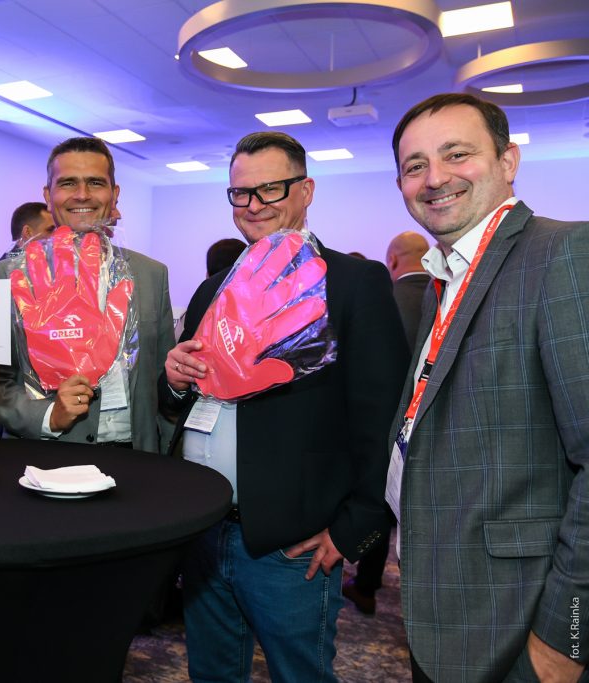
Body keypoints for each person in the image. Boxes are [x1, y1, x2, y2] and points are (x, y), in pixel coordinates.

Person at [162, 131, 409, 682]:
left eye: (270, 189)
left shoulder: (352, 283)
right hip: (203, 528)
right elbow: (180, 401)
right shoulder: (212, 289)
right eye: (240, 193)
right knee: (211, 673)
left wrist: (355, 528)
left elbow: (382, 417)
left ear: (306, 190)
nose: (253, 206)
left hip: (292, 543)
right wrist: (175, 380)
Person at [389, 92, 589, 683]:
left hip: (523, 622)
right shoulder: (447, 277)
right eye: (416, 165)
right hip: (450, 603)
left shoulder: (562, 253)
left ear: (508, 161)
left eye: (457, 154)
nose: (435, 178)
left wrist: (565, 643)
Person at [0, 137, 175, 452]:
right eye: (68, 183)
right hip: (47, 454)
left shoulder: (151, 274)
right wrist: (48, 416)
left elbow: (164, 381)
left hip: (138, 457)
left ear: (114, 193)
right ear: (48, 195)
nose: (82, 194)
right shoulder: (7, 275)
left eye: (95, 182)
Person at [342, 230, 432, 616]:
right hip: (434, 430)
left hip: (386, 426)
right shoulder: (445, 297)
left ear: (392, 260)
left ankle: (366, 584)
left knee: (378, 502)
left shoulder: (386, 299)